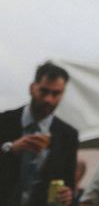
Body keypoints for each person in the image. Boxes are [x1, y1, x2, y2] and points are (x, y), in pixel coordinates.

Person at [1, 63, 78, 206]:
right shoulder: (4, 121)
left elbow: (69, 183)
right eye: (44, 91)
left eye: (56, 93)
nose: (48, 99)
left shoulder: (68, 135)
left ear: (63, 94)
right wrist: (10, 148)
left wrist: (67, 197)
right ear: (32, 88)